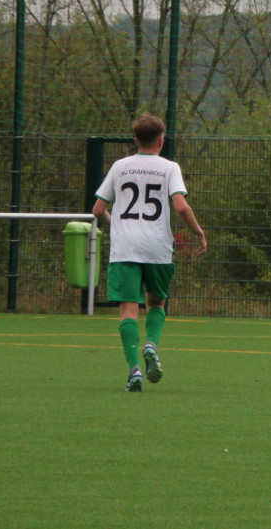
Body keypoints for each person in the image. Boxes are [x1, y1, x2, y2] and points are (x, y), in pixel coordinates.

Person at [92, 113, 207, 392]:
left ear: (135, 140)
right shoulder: (169, 168)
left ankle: (134, 370)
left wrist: (115, 224)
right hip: (157, 247)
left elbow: (97, 209)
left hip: (125, 248)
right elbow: (180, 206)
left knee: (128, 311)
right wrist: (199, 233)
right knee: (156, 302)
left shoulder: (120, 167)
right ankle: (151, 344)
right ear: (161, 141)